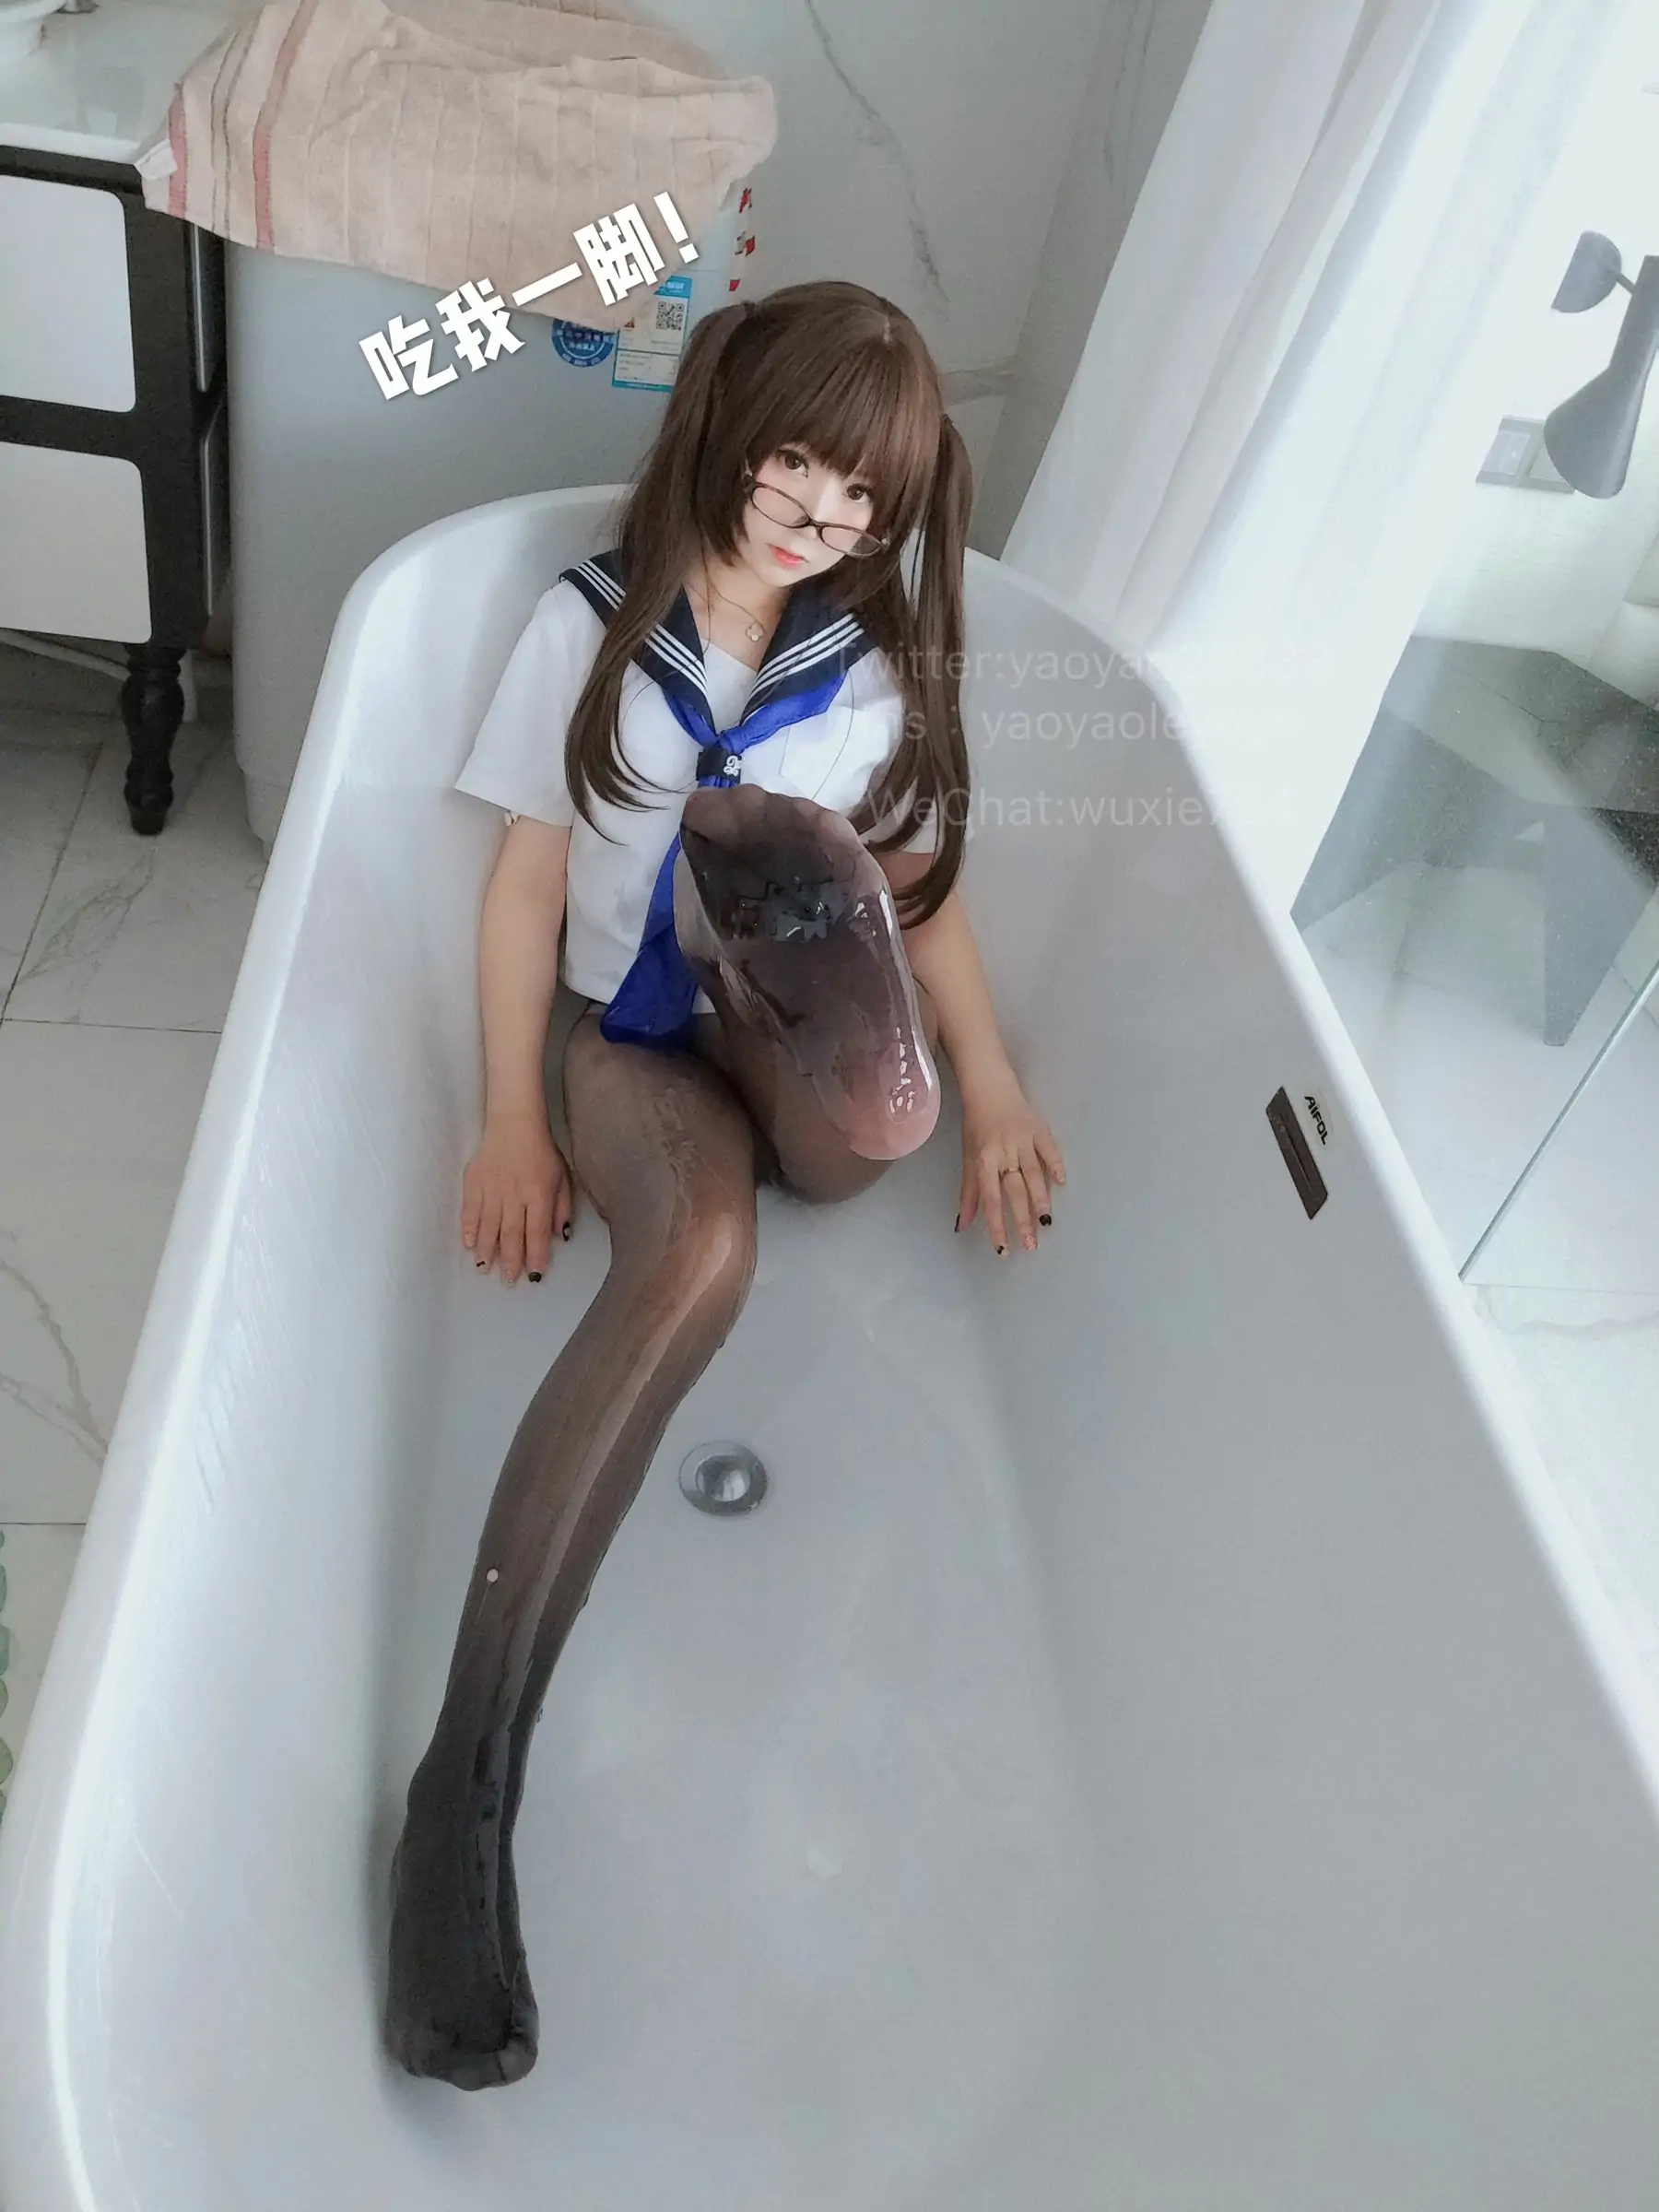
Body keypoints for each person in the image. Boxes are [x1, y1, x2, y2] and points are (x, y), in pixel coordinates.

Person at [384, 279, 1065, 2089]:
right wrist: (509, 1118)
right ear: (728, 428)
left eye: (863, 501)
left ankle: (842, 1007)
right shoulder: (590, 626)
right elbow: (527, 885)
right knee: (698, 1248)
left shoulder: (867, 676)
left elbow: (931, 899)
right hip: (632, 1048)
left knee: (869, 1112)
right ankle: (468, 1774)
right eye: (798, 468)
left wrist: (996, 1086)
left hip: (792, 1064)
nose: (821, 518)